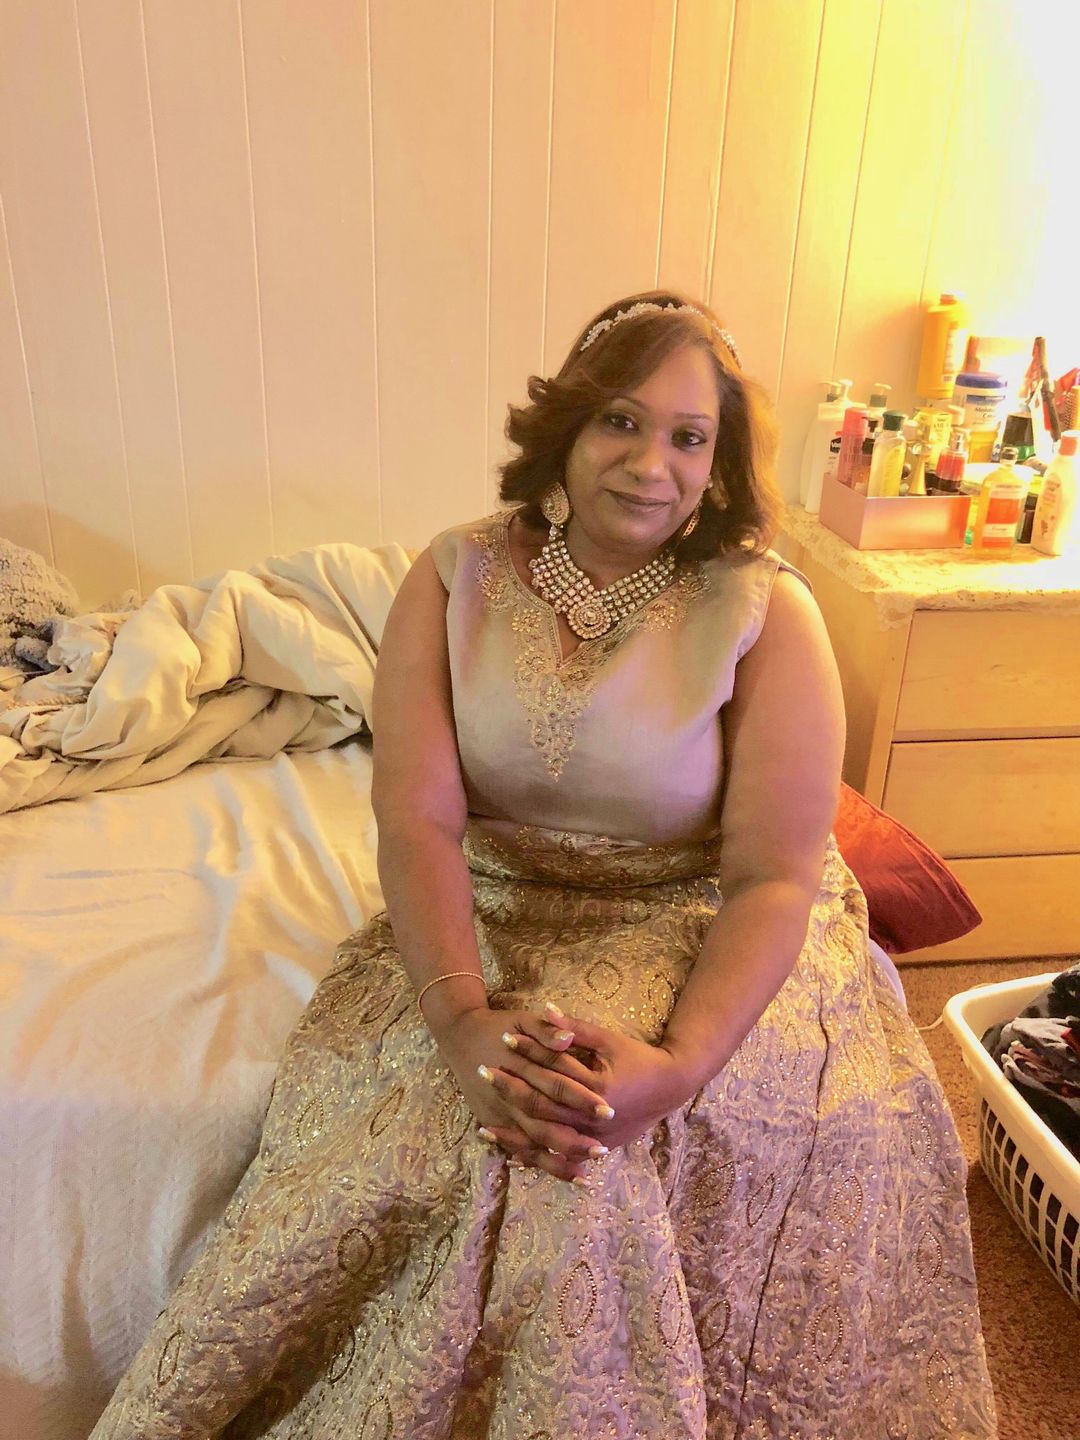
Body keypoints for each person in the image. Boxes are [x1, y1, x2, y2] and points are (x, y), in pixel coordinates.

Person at [91, 292, 997, 1439]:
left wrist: (680, 1065)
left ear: (718, 464)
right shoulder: (452, 575)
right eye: (622, 420)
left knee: (583, 1163)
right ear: (567, 427)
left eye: (689, 437)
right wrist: (462, 1021)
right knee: (442, 1129)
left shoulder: (769, 612)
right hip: (496, 903)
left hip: (699, 917)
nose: (651, 464)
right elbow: (416, 822)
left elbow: (775, 875)